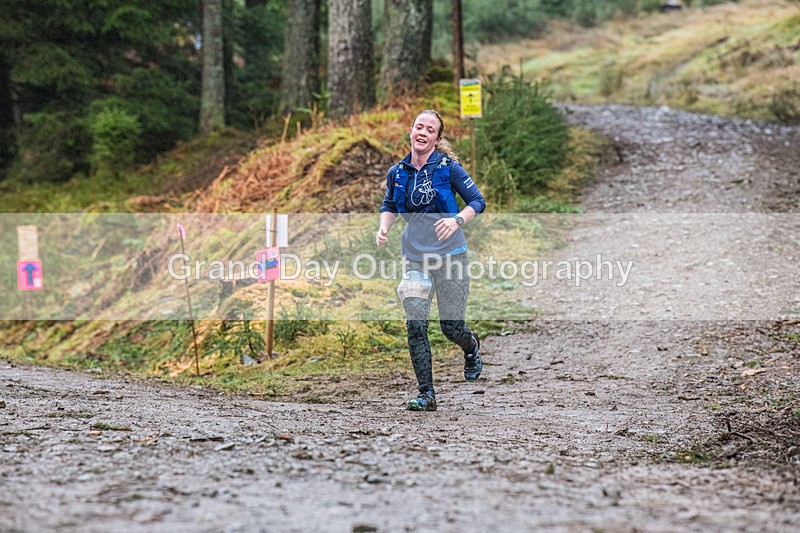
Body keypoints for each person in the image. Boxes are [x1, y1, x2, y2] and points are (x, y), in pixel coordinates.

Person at [376, 109, 486, 412]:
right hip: (415, 257)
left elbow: (478, 202)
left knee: (451, 327)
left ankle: (471, 346)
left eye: (430, 129)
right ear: (411, 132)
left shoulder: (449, 168)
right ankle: (426, 393)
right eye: (418, 127)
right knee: (416, 324)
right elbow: (389, 204)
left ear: (437, 138)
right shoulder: (397, 173)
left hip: (451, 255)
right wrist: (384, 226)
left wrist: (456, 220)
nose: (422, 133)